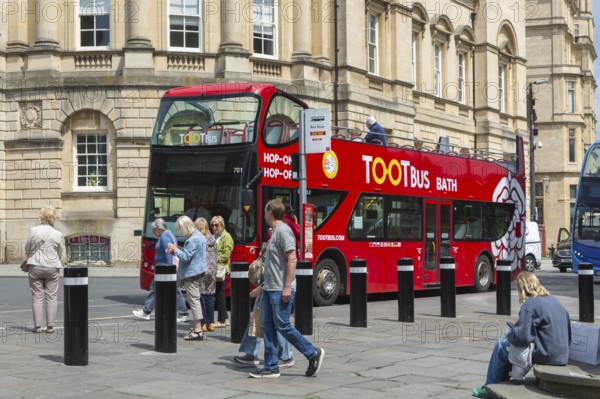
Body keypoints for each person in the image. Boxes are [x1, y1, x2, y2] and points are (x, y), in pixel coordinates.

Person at [249, 199, 325, 379]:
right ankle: (271, 366)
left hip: (280, 289)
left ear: (270, 212)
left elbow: (292, 258)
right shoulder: (275, 232)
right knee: (268, 327)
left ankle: (312, 353)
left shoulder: (284, 231)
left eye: (265, 210)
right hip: (269, 288)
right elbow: (274, 265)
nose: (264, 213)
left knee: (282, 325)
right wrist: (262, 288)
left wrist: (286, 287)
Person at [472, 272, 571, 398]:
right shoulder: (555, 300)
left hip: (546, 354)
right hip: (563, 355)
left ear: (521, 288)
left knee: (502, 345)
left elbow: (522, 338)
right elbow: (568, 330)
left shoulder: (530, 305)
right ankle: (502, 382)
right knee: (508, 345)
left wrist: (511, 333)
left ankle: (490, 387)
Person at [234, 241, 294, 369]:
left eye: (273, 228)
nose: (270, 229)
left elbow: (277, 274)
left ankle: (286, 356)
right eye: (269, 228)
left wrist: (258, 289)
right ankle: (251, 353)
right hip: (269, 288)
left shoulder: (281, 246)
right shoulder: (271, 244)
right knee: (256, 319)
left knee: (277, 323)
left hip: (275, 289)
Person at [133, 218, 189, 322]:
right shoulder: (168, 234)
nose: (154, 233)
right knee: (171, 291)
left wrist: (170, 269)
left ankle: (146, 312)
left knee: (156, 290)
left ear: (158, 229)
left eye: (154, 230)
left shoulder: (164, 237)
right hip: (165, 268)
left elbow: (169, 253)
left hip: (164, 269)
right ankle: (182, 313)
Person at [167, 216, 207, 341]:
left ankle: (198, 330)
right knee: (195, 300)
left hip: (191, 274)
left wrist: (175, 250)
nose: (180, 232)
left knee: (194, 301)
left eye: (180, 229)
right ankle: (197, 328)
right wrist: (179, 248)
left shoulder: (192, 239)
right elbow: (192, 253)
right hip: (198, 272)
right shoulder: (199, 236)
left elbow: (186, 257)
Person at [25, 206, 64, 333]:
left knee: (37, 296)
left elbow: (27, 247)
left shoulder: (33, 230)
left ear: (41, 217)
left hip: (35, 266)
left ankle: (37, 326)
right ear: (54, 218)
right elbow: (60, 251)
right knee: (51, 297)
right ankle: (50, 326)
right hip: (52, 267)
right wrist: (54, 259)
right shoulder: (57, 234)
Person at [195, 217, 217, 332]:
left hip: (202, 270)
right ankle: (211, 323)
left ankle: (203, 323)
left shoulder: (199, 240)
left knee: (201, 297)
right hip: (212, 271)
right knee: (210, 297)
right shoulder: (212, 239)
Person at [212, 215, 233, 328]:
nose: (214, 227)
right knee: (218, 294)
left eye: (217, 225)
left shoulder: (226, 237)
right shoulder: (213, 236)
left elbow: (226, 255)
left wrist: (212, 258)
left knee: (220, 294)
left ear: (222, 225)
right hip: (213, 268)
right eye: (213, 225)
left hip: (220, 269)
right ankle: (224, 319)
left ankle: (223, 319)